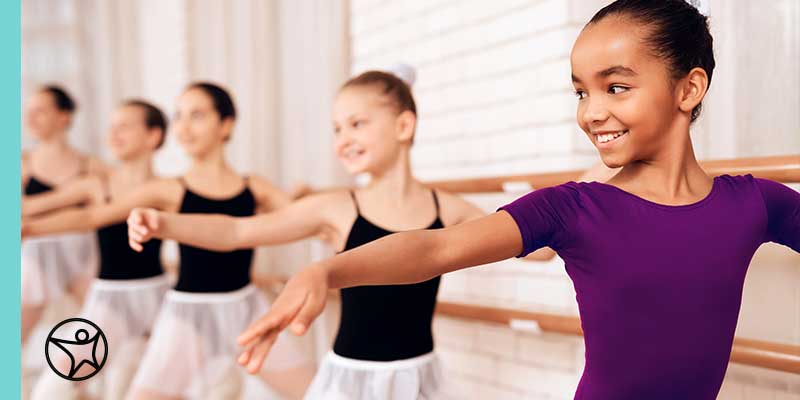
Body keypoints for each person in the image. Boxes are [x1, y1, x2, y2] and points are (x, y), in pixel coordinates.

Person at [231, 2, 800, 399]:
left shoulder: (753, 205)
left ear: (688, 89)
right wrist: (328, 272)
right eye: (581, 91)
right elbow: (438, 248)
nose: (591, 110)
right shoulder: (574, 209)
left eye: (616, 86)